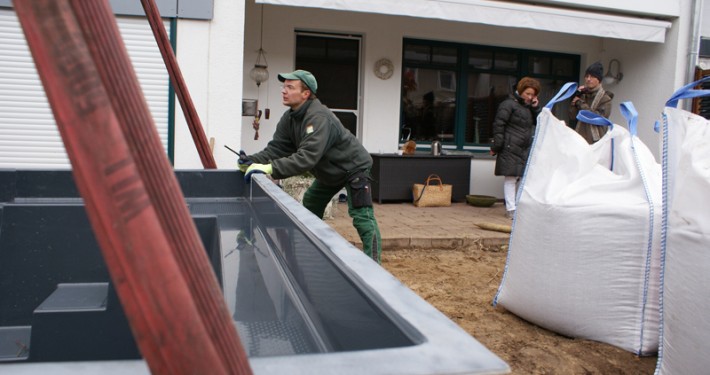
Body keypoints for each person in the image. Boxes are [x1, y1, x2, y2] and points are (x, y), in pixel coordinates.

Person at [240, 70, 382, 263]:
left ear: (306, 94)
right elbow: (276, 149)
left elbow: (307, 157)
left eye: (290, 87)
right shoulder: (289, 118)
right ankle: (312, 249)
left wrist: (270, 169)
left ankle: (374, 265)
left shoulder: (318, 117)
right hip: (330, 172)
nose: (284, 91)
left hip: (353, 167)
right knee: (312, 202)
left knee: (362, 216)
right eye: (284, 86)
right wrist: (252, 160)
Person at [490, 77, 541, 219]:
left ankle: (516, 207)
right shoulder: (508, 104)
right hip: (510, 146)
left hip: (524, 148)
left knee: (521, 178)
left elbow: (540, 122)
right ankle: (511, 209)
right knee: (511, 178)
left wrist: (536, 108)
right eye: (528, 94)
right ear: (520, 91)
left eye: (533, 95)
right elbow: (499, 125)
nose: (530, 97)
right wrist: (497, 145)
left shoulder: (529, 108)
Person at [569, 61, 614, 144]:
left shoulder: (605, 98)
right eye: (586, 76)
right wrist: (576, 96)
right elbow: (572, 116)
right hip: (579, 138)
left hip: (596, 141)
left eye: (592, 76)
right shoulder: (582, 95)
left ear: (599, 80)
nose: (588, 79)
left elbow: (597, 117)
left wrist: (580, 103)